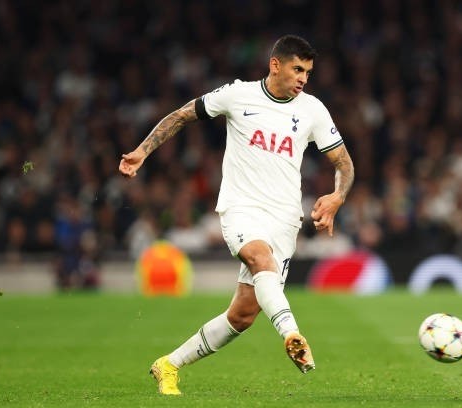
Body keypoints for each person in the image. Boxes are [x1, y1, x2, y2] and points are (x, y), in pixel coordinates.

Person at [119, 34, 354, 395]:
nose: (303, 78)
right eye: (297, 69)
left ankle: (168, 364)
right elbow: (182, 115)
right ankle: (292, 334)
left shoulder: (313, 110)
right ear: (275, 64)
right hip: (240, 208)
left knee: (242, 315)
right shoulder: (238, 94)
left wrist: (337, 196)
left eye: (307, 72)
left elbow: (343, 163)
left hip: (285, 219)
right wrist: (142, 150)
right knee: (261, 259)